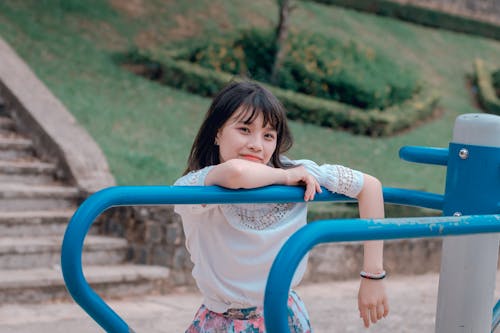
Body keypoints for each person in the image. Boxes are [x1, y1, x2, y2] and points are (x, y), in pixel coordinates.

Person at [174, 80, 389, 332]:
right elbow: (235, 173)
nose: (257, 144)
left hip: (284, 316)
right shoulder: (197, 183)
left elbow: (370, 187)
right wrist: (286, 177)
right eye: (244, 129)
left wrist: (372, 276)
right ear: (217, 132)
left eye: (268, 135)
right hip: (224, 321)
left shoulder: (300, 171)